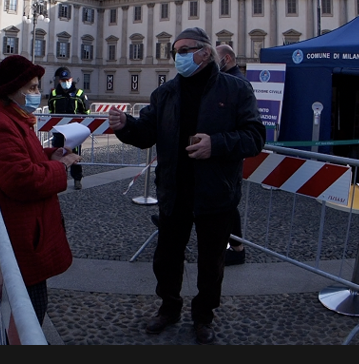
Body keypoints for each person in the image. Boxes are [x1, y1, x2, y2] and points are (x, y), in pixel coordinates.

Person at [108, 27, 266, 345]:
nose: (178, 56)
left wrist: (216, 144)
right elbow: (147, 134)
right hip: (174, 191)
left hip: (215, 193)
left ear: (205, 52)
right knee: (166, 258)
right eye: (174, 52)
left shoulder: (236, 90)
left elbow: (255, 137)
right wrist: (126, 127)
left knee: (211, 262)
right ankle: (169, 307)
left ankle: (203, 315)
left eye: (184, 50)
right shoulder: (164, 94)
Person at [0, 55, 80, 326]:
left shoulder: (16, 118)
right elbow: (21, 179)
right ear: (13, 90)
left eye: (37, 86)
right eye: (32, 88)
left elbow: (25, 157)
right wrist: (61, 167)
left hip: (26, 231)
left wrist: (50, 154)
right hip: (20, 235)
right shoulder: (0, 124)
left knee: (31, 306)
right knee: (28, 313)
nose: (38, 93)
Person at [216, 43, 249, 266]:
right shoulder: (227, 81)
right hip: (223, 150)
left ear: (226, 59)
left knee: (228, 203)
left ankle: (237, 248)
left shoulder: (237, 83)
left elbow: (244, 128)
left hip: (228, 153)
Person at [48, 66, 89, 190]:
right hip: (59, 131)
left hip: (74, 132)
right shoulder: (54, 93)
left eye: (67, 80)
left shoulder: (79, 94)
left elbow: (86, 111)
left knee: (75, 156)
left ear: (71, 79)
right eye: (63, 80)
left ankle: (77, 179)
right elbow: (51, 110)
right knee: (58, 154)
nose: (65, 82)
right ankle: (59, 178)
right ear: (59, 81)